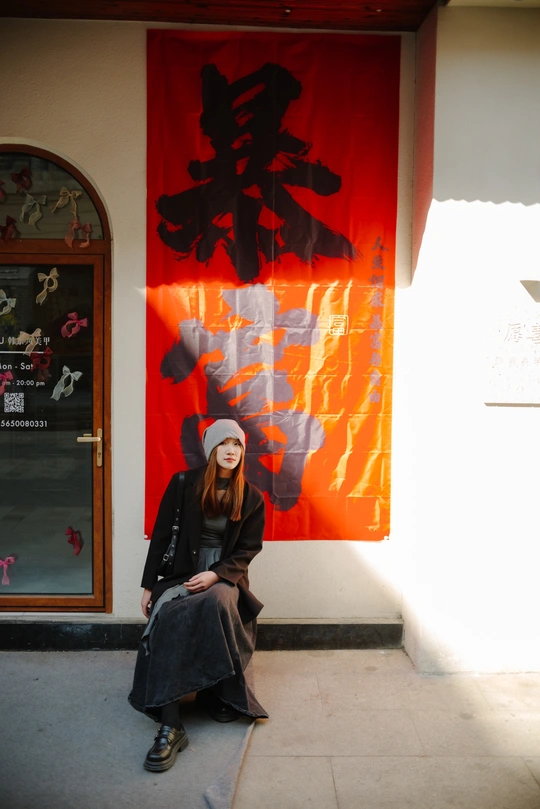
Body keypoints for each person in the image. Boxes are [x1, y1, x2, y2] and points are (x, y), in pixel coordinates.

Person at [129, 418, 268, 773]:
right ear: (211, 449)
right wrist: (149, 586)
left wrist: (216, 574)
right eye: (224, 444)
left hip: (223, 576)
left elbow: (248, 550)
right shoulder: (183, 484)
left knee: (217, 600)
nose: (231, 451)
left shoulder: (251, 497)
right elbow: (161, 535)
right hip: (182, 574)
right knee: (170, 614)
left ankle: (214, 689)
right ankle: (171, 724)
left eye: (237, 445)